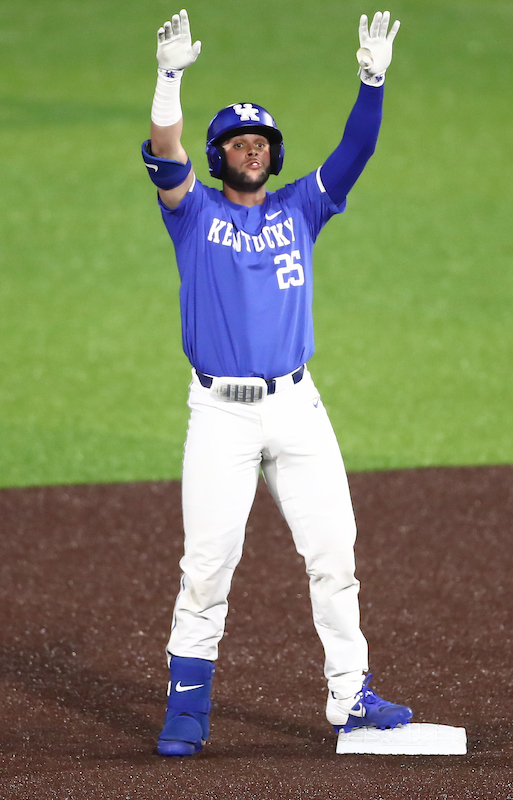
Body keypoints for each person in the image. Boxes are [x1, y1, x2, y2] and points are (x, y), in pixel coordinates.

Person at [142, 9, 411, 756]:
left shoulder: (303, 207)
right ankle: (187, 711)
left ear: (273, 155)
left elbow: (356, 150)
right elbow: (164, 148)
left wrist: (372, 79)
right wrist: (169, 79)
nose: (251, 150)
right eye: (237, 142)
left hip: (298, 408)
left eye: (260, 143)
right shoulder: (192, 212)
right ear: (218, 154)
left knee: (335, 556)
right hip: (220, 417)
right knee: (206, 568)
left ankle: (350, 696)